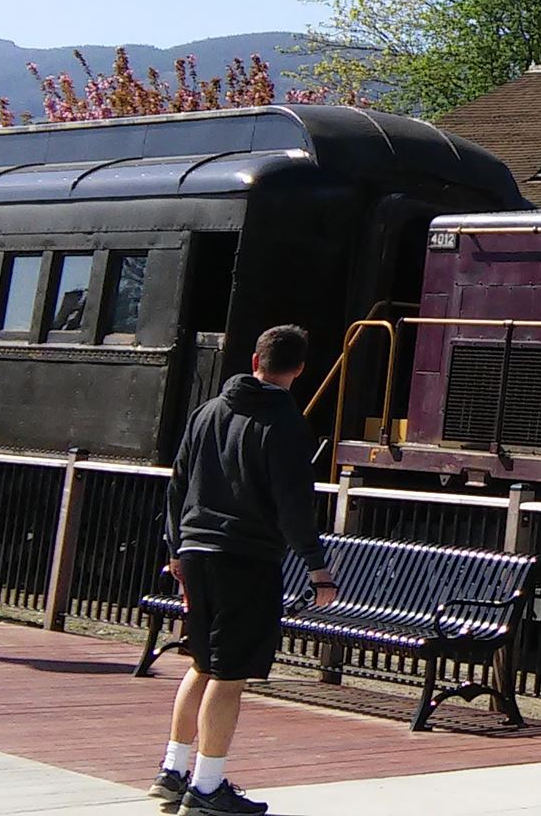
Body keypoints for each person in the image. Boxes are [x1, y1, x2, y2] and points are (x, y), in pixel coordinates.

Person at [148, 325, 338, 815]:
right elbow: (293, 507)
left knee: (202, 663)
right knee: (229, 676)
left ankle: (172, 772)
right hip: (246, 558)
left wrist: (175, 548)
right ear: (298, 369)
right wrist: (318, 569)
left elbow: (178, 483)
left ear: (255, 360)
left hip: (195, 551)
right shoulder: (287, 424)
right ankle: (208, 788)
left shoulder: (206, 411)